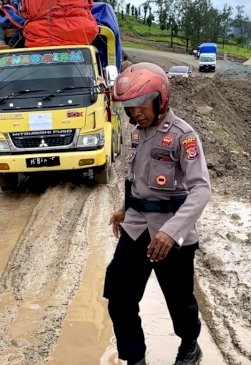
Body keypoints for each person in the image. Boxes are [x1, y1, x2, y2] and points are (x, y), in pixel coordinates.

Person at [104, 62, 211, 365]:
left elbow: (201, 190)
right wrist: (125, 209)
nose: (135, 112)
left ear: (159, 98)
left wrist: (171, 231)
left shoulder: (183, 136)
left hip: (172, 236)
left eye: (141, 104)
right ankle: (135, 359)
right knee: (120, 298)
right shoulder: (137, 133)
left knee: (180, 303)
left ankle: (190, 345)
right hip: (137, 228)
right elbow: (137, 179)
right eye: (130, 106)